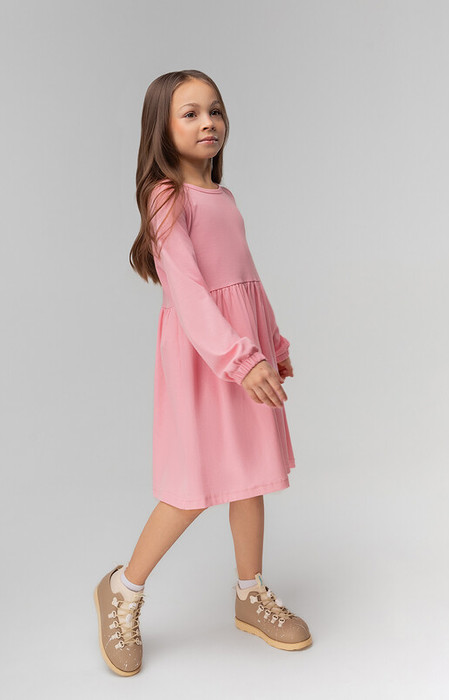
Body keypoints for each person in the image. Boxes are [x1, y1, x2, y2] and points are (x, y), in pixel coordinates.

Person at [94, 69, 312, 677]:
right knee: (191, 488)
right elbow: (189, 294)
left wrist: (271, 344)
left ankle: (250, 593)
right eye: (189, 113)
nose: (208, 122)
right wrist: (240, 359)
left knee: (250, 476)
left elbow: (247, 279)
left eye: (214, 110)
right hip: (206, 356)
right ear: (161, 128)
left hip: (243, 352)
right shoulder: (167, 196)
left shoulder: (225, 197)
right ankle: (123, 589)